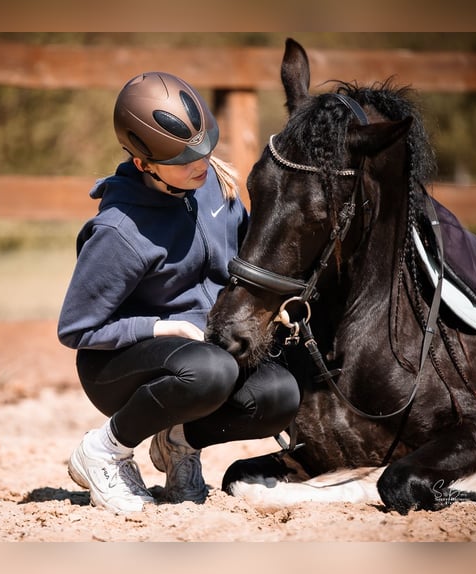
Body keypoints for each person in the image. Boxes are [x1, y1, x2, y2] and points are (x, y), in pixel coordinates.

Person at [57, 71, 300, 514]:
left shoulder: (213, 188)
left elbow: (246, 261)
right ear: (143, 163)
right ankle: (103, 451)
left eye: (203, 150)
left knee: (280, 395)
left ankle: (178, 441)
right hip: (119, 364)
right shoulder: (120, 230)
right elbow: (77, 328)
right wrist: (161, 327)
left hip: (205, 356)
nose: (199, 164)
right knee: (210, 373)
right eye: (182, 158)